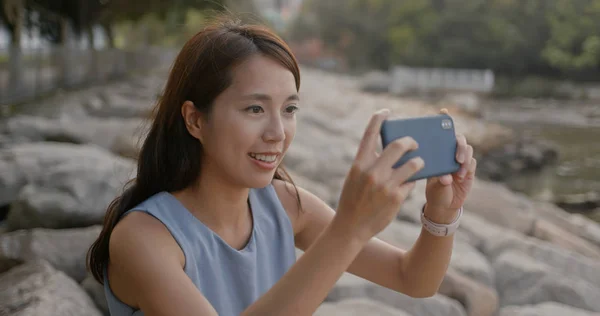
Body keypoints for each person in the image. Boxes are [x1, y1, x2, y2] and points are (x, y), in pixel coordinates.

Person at [87, 15, 477, 316]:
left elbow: (414, 279)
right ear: (195, 120)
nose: (277, 133)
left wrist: (443, 210)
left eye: (289, 109)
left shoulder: (285, 205)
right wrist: (349, 228)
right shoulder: (143, 238)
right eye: (254, 108)